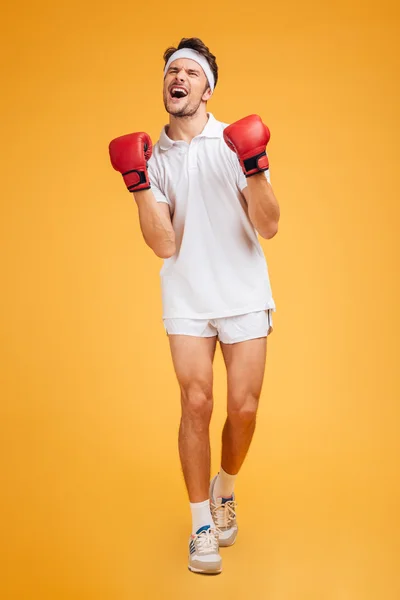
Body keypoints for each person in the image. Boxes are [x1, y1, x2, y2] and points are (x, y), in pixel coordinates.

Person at [109, 37, 280, 575]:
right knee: (197, 402)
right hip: (186, 293)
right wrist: (137, 182)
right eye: (169, 73)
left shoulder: (235, 143)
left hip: (243, 290)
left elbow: (269, 225)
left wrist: (253, 164)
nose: (175, 78)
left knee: (245, 408)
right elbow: (163, 244)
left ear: (208, 87)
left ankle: (224, 486)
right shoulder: (151, 158)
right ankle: (202, 525)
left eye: (188, 71)